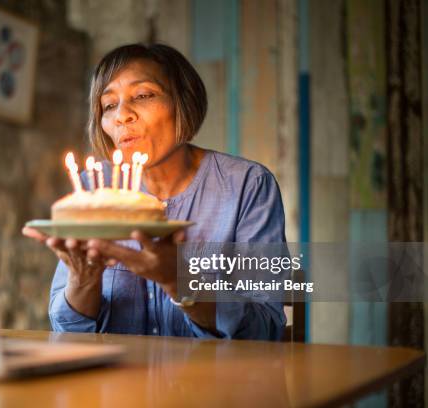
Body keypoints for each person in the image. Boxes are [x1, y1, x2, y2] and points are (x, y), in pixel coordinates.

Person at [23, 43, 287, 340]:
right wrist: (83, 280)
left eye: (144, 95)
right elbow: (66, 333)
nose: (122, 115)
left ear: (183, 102)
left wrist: (180, 280)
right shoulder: (93, 191)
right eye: (109, 105)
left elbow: (266, 329)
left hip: (213, 382)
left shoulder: (247, 186)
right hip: (114, 382)